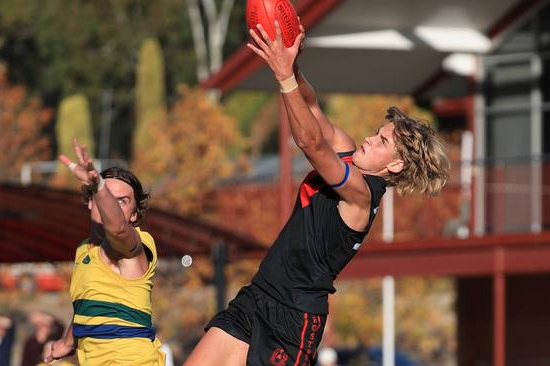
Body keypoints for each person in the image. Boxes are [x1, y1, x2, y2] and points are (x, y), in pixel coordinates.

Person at [185, 20, 449, 366]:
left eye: (382, 141)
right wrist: (290, 58)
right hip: (258, 296)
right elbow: (309, 106)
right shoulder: (348, 151)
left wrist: (283, 77)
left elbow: (310, 143)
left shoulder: (362, 195)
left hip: (293, 321)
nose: (370, 138)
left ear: (395, 167)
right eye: (377, 132)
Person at [44, 139, 165, 365]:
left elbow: (117, 228)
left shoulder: (135, 243)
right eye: (106, 195)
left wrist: (99, 185)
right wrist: (68, 342)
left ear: (134, 215)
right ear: (90, 201)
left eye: (122, 201)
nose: (111, 203)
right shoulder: (83, 249)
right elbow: (89, 304)